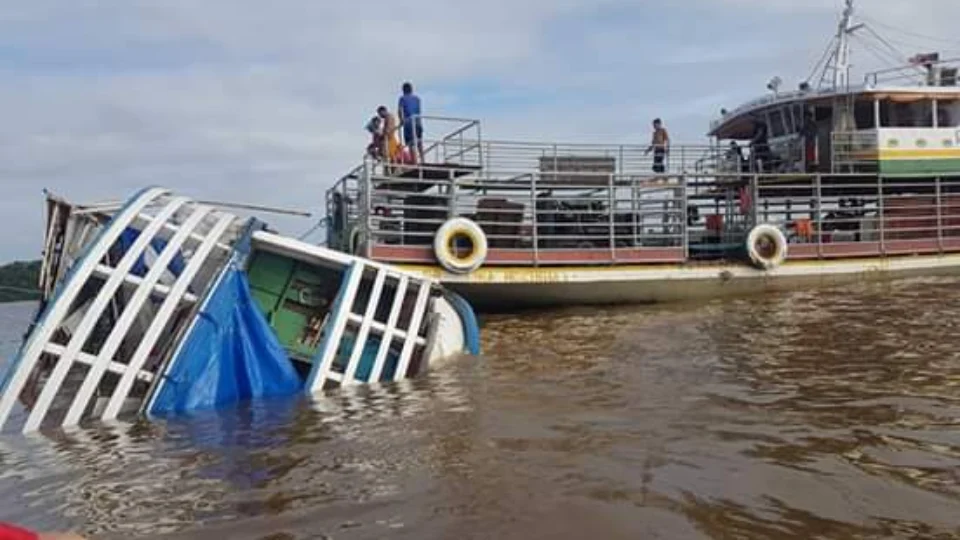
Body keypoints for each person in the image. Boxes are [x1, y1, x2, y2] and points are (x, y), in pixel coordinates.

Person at [398, 82, 424, 164]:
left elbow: (399, 110)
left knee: (411, 143)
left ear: (403, 90)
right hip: (418, 122)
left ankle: (414, 161)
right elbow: (419, 110)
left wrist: (401, 120)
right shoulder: (417, 99)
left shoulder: (402, 98)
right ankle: (423, 160)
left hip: (408, 123)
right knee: (419, 142)